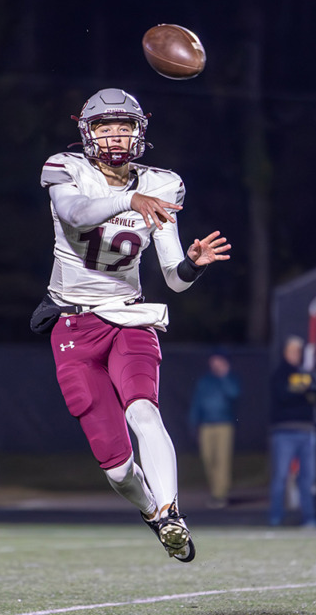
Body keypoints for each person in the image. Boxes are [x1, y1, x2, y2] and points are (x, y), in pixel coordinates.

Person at [31, 88, 231, 562]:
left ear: (141, 133)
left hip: (129, 315)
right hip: (74, 324)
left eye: (124, 126)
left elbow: (173, 279)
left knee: (144, 410)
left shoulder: (163, 185)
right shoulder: (65, 168)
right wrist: (129, 199)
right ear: (87, 132)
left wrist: (194, 265)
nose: (115, 135)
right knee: (118, 469)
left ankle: (171, 511)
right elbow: (75, 213)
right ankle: (152, 514)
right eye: (104, 127)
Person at [267, 336, 316, 527]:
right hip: (284, 431)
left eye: (299, 351)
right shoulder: (280, 374)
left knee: (308, 479)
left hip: (306, 431)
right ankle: (275, 517)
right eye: (292, 350)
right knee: (280, 477)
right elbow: (284, 395)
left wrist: (306, 388)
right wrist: (304, 389)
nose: (296, 355)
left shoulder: (307, 373)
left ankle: (310, 518)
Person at [188, 349, 240, 509]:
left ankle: (220, 495)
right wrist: (193, 423)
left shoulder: (229, 379)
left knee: (222, 460)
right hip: (206, 425)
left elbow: (234, 394)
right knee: (208, 459)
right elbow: (197, 403)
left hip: (224, 424)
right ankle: (215, 490)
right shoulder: (205, 381)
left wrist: (224, 376)